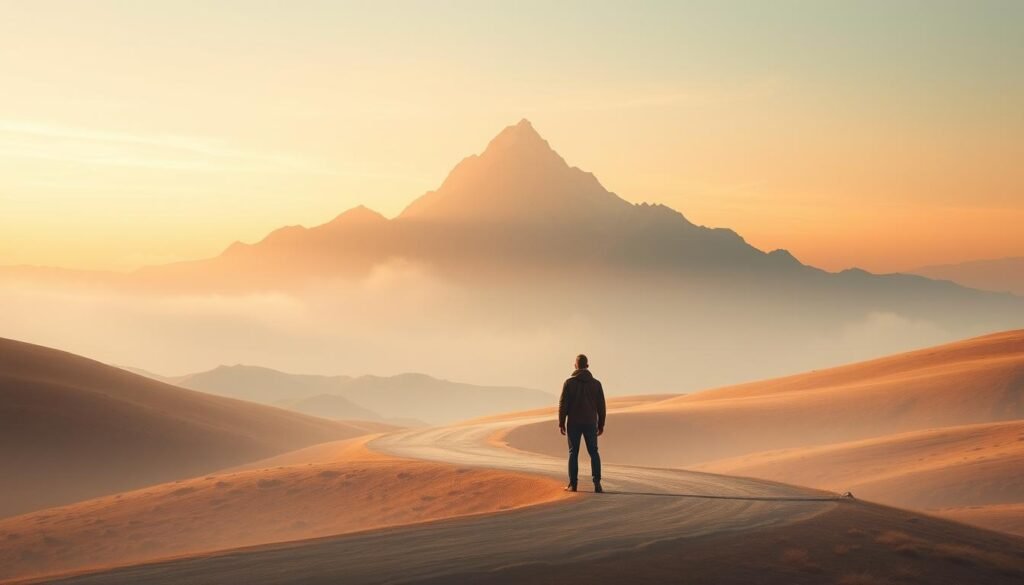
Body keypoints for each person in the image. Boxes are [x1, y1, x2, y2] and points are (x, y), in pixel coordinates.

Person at [558, 353, 606, 493]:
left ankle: (573, 484)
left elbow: (563, 404)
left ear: (575, 366)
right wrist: (601, 424)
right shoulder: (596, 384)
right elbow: (601, 406)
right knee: (594, 452)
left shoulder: (569, 383)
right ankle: (597, 483)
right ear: (587, 366)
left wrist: (561, 422)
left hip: (574, 422)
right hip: (590, 422)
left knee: (573, 452)